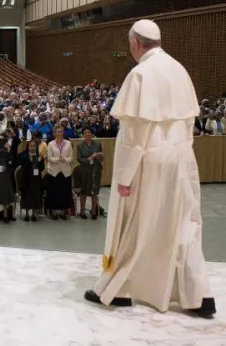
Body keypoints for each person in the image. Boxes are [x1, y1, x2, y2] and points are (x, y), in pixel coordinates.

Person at [85, 19, 216, 319]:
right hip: (182, 157)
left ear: (135, 44)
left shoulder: (140, 74)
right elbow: (189, 121)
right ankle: (198, 295)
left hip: (150, 161)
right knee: (184, 224)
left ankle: (119, 289)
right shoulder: (180, 70)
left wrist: (124, 176)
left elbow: (134, 133)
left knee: (134, 223)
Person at [45, 125, 73, 220]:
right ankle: (54, 212)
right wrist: (58, 159)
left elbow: (71, 157)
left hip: (65, 171)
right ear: (54, 133)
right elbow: (49, 158)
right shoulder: (50, 144)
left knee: (64, 192)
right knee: (54, 192)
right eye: (58, 131)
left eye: (61, 131)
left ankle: (64, 212)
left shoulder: (68, 143)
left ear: (63, 132)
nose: (59, 133)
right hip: (54, 171)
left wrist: (65, 159)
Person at [76, 127, 103, 220]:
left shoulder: (98, 144)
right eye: (85, 132)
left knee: (94, 190)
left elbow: (101, 157)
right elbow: (79, 159)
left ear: (92, 134)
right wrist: (89, 158)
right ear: (83, 135)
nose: (87, 134)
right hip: (85, 170)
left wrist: (99, 156)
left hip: (96, 170)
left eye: (89, 132)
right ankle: (82, 211)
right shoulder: (80, 146)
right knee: (84, 190)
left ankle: (94, 211)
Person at [18, 139, 44, 221]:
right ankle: (26, 214)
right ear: (28, 147)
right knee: (27, 196)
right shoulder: (24, 156)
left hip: (36, 180)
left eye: (34, 146)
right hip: (27, 179)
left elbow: (42, 168)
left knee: (35, 196)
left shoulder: (39, 156)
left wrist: (39, 162)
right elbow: (24, 167)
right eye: (31, 146)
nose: (32, 147)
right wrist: (30, 161)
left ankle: (34, 214)